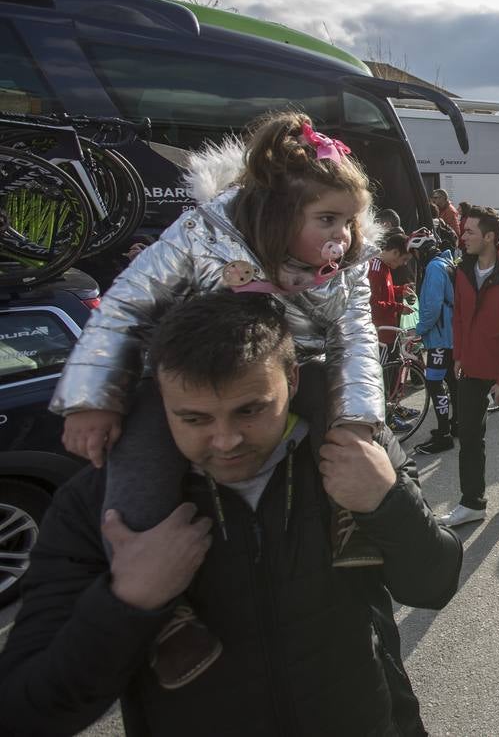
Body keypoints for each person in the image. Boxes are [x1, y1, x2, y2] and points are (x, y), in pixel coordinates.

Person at [0, 291, 462, 733]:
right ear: (159, 396)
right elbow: (28, 712)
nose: (225, 441)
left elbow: (434, 584)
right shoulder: (100, 506)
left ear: (293, 379)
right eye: (194, 418)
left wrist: (387, 502)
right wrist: (128, 601)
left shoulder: (356, 450)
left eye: (250, 410)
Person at [50, 111, 388, 688]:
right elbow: (128, 302)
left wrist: (359, 422)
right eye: (328, 219)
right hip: (196, 375)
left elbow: (355, 338)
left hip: (293, 373)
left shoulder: (345, 264)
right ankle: (162, 606)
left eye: (351, 221)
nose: (345, 236)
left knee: (365, 433)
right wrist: (92, 397)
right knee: (141, 449)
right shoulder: (202, 231)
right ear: (278, 213)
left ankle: (353, 522)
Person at [437, 204, 499, 526]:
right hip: (471, 369)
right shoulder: (462, 271)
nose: (462, 236)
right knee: (468, 437)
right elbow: (461, 318)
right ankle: (472, 502)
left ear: (490, 236)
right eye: (463, 230)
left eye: (469, 231)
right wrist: (460, 356)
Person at [414, 229, 459, 453]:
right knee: (451, 380)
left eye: (414, 252)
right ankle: (456, 424)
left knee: (434, 383)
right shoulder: (447, 263)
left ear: (422, 251)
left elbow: (432, 307)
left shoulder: (433, 268)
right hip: (451, 335)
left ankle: (443, 434)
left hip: (439, 337)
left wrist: (419, 330)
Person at [368, 232, 414, 347]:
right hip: (379, 335)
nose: (404, 264)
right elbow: (373, 304)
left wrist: (399, 290)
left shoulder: (384, 267)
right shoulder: (376, 269)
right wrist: (399, 307)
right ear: (395, 252)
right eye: (404, 259)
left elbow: (383, 290)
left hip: (387, 332)